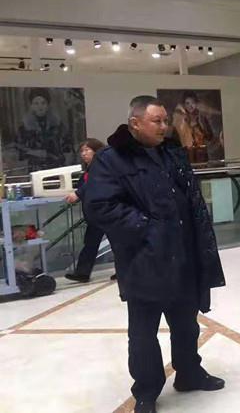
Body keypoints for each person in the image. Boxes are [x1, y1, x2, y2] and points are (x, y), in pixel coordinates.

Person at [83, 96, 226, 413]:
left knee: (186, 323)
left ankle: (189, 372)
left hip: (184, 254)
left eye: (165, 120)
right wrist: (146, 228)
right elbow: (99, 206)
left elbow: (190, 199)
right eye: (156, 121)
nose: (164, 126)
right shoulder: (112, 159)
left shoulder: (172, 152)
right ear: (135, 123)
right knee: (144, 333)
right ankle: (146, 390)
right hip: (143, 260)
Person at [64, 138, 116, 283]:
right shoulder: (89, 169)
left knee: (116, 243)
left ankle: (124, 270)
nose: (83, 154)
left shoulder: (103, 167)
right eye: (82, 151)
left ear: (96, 151)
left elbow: (93, 184)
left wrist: (78, 194)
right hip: (95, 214)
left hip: (107, 210)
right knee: (91, 243)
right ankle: (82, 272)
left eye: (87, 150)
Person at [16, 88, 71, 174]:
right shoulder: (25, 126)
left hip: (56, 168)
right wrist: (35, 153)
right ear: (31, 106)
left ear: (48, 105)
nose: (40, 107)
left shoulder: (57, 124)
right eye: (36, 103)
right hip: (35, 168)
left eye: (43, 103)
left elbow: (67, 146)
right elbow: (19, 148)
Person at [172, 91, 215, 164]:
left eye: (193, 103)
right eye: (187, 103)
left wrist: (200, 127)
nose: (190, 106)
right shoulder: (180, 118)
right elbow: (175, 139)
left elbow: (210, 136)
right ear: (184, 105)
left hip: (201, 154)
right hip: (186, 155)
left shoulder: (202, 118)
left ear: (196, 103)